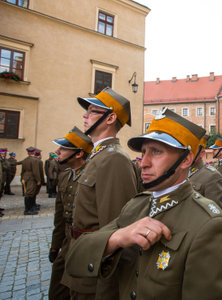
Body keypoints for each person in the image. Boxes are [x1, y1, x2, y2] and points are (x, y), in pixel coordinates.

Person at [66, 108, 222, 299]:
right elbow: (75, 259)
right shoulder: (135, 206)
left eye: (156, 152)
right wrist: (117, 238)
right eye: (144, 151)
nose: (144, 162)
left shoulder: (209, 224)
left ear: (186, 159)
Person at [64, 87, 138, 299]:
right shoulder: (99, 156)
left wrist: (107, 290)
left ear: (110, 117)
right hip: (82, 259)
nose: (85, 115)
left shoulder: (114, 159)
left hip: (94, 271)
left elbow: (117, 228)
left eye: (93, 111)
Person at [48, 127, 93, 300]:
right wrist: (55, 245)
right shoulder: (65, 175)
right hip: (67, 239)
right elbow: (60, 216)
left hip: (83, 240)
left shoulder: (91, 176)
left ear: (79, 154)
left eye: (63, 148)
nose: (57, 152)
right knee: (57, 289)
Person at [188, 134, 222, 212]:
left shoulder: (212, 176)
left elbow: (216, 214)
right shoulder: (179, 172)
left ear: (201, 153)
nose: (186, 153)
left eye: (192, 149)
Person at [19, 147, 42, 215]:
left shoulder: (25, 160)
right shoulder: (34, 160)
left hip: (25, 177)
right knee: (30, 193)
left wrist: (22, 178)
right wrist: (38, 180)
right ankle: (28, 210)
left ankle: (30, 208)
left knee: (28, 193)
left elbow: (22, 171)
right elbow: (35, 171)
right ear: (34, 152)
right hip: (31, 178)